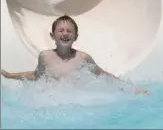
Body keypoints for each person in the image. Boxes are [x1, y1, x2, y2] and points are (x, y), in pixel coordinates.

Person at [1, 15, 147, 94]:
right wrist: (10, 75)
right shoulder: (45, 57)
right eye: (61, 30)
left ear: (76, 37)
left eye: (69, 31)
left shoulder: (82, 58)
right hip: (52, 102)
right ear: (53, 36)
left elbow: (103, 75)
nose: (65, 33)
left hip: (76, 101)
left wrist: (131, 89)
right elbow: (37, 76)